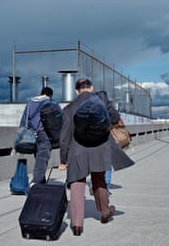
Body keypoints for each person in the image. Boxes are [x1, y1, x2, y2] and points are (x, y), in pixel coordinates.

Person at [59, 78, 134, 236]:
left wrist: (63, 159)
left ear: (76, 90)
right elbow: (114, 118)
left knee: (77, 183)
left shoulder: (68, 109)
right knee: (99, 180)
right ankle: (105, 211)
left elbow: (64, 138)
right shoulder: (101, 101)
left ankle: (77, 225)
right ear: (91, 87)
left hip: (77, 150)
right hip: (100, 148)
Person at [19, 86, 55, 187]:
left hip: (31, 134)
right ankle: (36, 182)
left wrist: (21, 134)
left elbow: (24, 120)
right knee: (42, 157)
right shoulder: (50, 103)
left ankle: (41, 183)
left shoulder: (30, 102)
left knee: (38, 157)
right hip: (45, 133)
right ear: (50, 95)